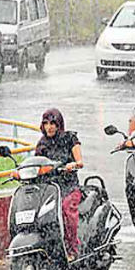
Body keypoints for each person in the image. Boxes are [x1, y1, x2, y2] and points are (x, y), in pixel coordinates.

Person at [35, 108, 84, 261]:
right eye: (46, 123)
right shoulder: (42, 143)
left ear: (59, 125)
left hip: (68, 187)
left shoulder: (70, 138)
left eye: (53, 123)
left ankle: (72, 248)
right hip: (49, 188)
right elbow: (36, 164)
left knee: (66, 209)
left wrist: (73, 165)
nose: (49, 127)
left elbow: (80, 161)